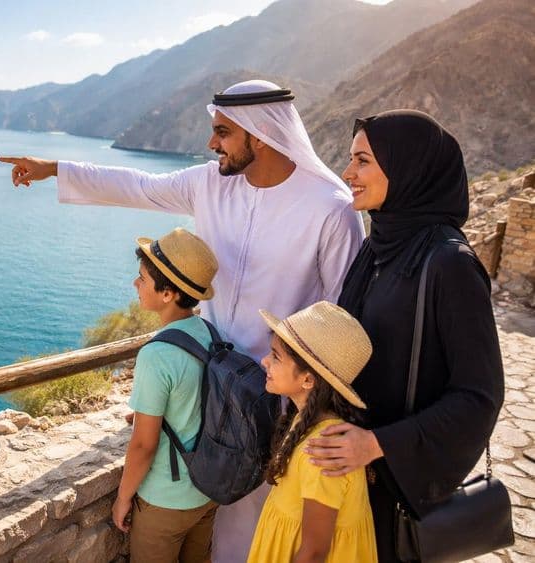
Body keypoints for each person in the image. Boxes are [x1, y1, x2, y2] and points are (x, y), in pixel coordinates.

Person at [0, 80, 365, 562]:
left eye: (222, 133)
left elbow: (342, 314)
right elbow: (137, 186)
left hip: (277, 401)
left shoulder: (330, 207)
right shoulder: (209, 183)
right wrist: (55, 169)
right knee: (215, 514)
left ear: (259, 134)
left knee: (264, 516)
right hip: (204, 387)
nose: (212, 144)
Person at [303, 110, 505, 562]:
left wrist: (376, 445)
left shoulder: (450, 264)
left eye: (363, 160)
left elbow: (480, 395)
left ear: (408, 167)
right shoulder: (378, 246)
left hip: (391, 487)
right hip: (350, 478)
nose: (347, 172)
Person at [111, 227, 219, 563]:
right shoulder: (208, 332)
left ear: (169, 293)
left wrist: (123, 498)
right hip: (206, 493)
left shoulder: (157, 355)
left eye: (142, 278)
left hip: (166, 502)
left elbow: (144, 445)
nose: (135, 284)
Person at [249, 301, 377, 563]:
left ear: (308, 379)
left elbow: (314, 552)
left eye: (275, 356)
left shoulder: (323, 452)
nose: (264, 361)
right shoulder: (306, 422)